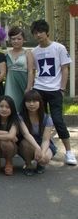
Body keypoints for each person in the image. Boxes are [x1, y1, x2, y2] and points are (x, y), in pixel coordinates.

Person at [30, 19, 76, 165]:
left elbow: (65, 69)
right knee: (39, 120)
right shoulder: (34, 52)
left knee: (57, 120)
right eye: (35, 33)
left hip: (55, 90)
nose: (38, 35)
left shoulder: (59, 48)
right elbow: (32, 71)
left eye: (41, 32)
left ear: (47, 32)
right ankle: (41, 149)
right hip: (39, 89)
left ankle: (69, 152)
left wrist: (62, 89)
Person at [17, 90, 56, 175]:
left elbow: (46, 140)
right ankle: (28, 165)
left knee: (45, 158)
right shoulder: (20, 116)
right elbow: (26, 134)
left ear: (40, 102)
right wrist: (37, 148)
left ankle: (40, 164)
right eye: (28, 101)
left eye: (34, 101)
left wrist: (42, 153)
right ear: (24, 103)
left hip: (42, 142)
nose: (31, 104)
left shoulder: (47, 118)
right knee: (25, 144)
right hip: (28, 142)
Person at [5, 26, 35, 110]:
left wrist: (28, 87)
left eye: (19, 39)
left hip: (24, 82)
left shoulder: (28, 53)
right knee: (10, 104)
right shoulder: (6, 54)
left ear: (23, 39)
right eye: (13, 39)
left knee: (25, 106)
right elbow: (4, 71)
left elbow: (31, 71)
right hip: (10, 83)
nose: (16, 41)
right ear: (10, 40)